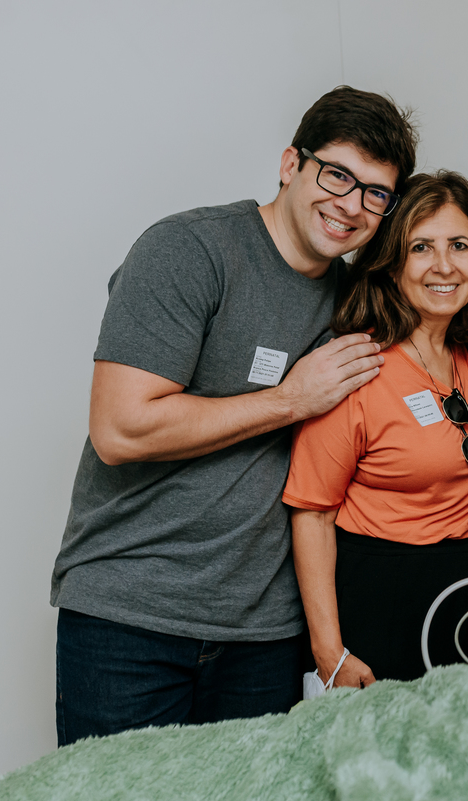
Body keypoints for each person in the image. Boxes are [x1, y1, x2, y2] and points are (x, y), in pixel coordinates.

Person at [50, 86, 418, 745]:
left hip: (264, 634)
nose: (351, 204)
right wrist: (289, 399)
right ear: (289, 164)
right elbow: (120, 428)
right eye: (337, 174)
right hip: (132, 619)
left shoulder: (353, 300)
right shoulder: (190, 251)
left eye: (375, 193)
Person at [283, 171, 468, 688]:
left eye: (458, 245)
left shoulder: (465, 355)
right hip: (388, 601)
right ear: (391, 263)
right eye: (421, 247)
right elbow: (312, 514)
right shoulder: (355, 368)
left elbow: (467, 465)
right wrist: (330, 653)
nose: (443, 265)